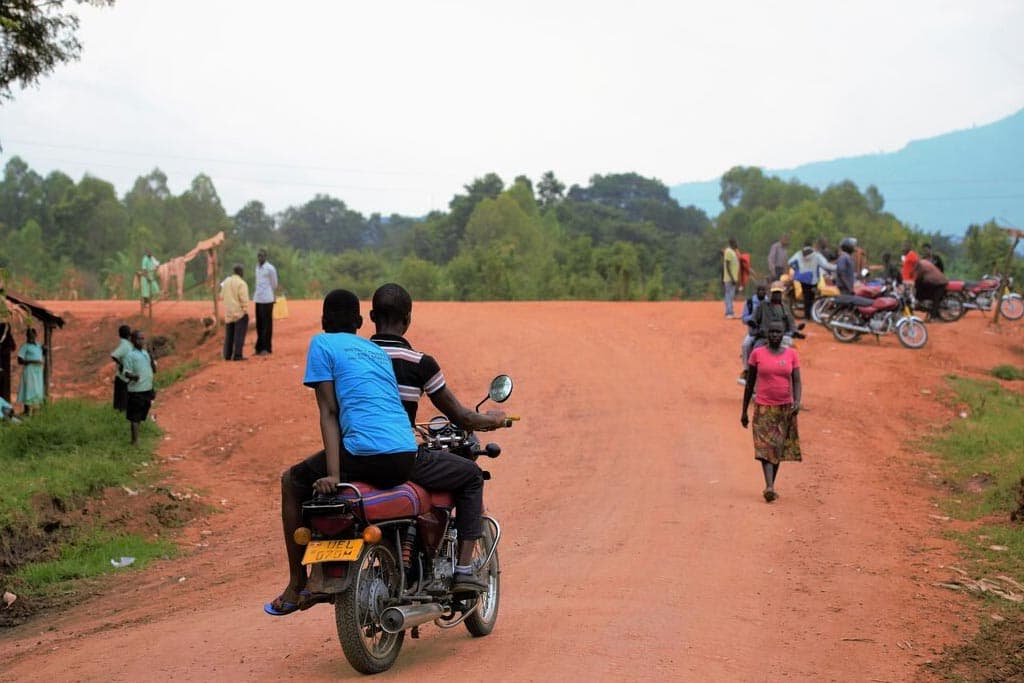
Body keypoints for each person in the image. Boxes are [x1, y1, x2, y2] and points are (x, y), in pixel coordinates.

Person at [266, 289, 419, 617]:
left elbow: (329, 412)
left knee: (292, 481)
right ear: (361, 322)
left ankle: (296, 583)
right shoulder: (374, 350)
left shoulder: (322, 344)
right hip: (405, 455)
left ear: (323, 321)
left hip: (364, 454)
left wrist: (334, 475)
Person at [369, 283, 508, 593]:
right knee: (471, 475)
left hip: (356, 457)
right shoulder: (419, 363)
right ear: (408, 320)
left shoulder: (356, 358)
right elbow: (461, 417)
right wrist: (494, 420)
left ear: (372, 316)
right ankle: (462, 570)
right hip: (401, 457)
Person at [740, 320, 802, 503]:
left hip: (785, 408)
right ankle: (769, 486)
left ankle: (770, 485)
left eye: (778, 332)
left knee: (778, 449)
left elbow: (797, 380)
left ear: (783, 334)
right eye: (772, 332)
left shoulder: (792, 354)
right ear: (767, 334)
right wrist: (744, 411)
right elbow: (750, 383)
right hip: (763, 407)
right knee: (766, 447)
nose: (775, 335)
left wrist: (797, 401)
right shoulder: (757, 354)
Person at [122, 329, 156, 446]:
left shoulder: (146, 353)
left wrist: (151, 356)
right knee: (135, 416)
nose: (142, 341)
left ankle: (136, 438)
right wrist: (133, 376)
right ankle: (135, 441)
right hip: (136, 390)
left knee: (142, 413)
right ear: (133, 340)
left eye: (143, 338)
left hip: (147, 388)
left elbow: (153, 370)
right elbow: (126, 372)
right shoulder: (130, 356)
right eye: (139, 339)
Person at [788, 241, 836, 319]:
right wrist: (837, 268)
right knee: (812, 297)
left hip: (802, 278)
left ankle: (807, 316)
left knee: (806, 296)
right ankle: (810, 315)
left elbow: (790, 262)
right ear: (812, 245)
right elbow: (825, 265)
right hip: (812, 279)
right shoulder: (816, 255)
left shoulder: (799, 254)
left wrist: (797, 269)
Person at [737, 281, 768, 385]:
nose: (761, 292)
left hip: (768, 331)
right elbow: (744, 318)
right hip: (753, 332)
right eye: (759, 290)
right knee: (746, 345)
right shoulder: (750, 302)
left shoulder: (770, 302)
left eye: (763, 290)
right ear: (756, 291)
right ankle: (746, 370)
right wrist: (752, 320)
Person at [253, 248, 279, 356]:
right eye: (258, 256)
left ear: (265, 257)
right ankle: (259, 348)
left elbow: (274, 284)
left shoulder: (270, 268)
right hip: (258, 298)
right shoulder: (257, 268)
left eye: (262, 256)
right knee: (259, 324)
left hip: (267, 299)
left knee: (266, 324)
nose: (260, 258)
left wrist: (270, 292)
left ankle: (266, 348)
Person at [221, 263, 250, 361]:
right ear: (241, 272)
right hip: (239, 313)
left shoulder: (226, 282)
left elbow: (221, 296)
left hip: (229, 312)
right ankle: (237, 355)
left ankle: (227, 355)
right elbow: (244, 299)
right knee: (239, 334)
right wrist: (245, 310)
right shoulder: (241, 283)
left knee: (229, 334)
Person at [16, 327, 44, 415]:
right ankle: (27, 410)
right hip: (30, 371)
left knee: (37, 389)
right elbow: (20, 360)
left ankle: (36, 410)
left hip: (38, 371)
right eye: (29, 336)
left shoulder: (39, 345)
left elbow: (40, 355)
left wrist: (44, 350)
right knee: (28, 389)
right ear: (26, 336)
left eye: (32, 335)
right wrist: (33, 361)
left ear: (36, 335)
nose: (30, 337)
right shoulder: (25, 346)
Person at [913, 257, 949, 321]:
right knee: (921, 285)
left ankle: (933, 316)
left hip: (939, 283)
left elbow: (918, 276)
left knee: (936, 300)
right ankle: (925, 303)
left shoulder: (921, 265)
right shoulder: (924, 262)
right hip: (939, 281)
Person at [110, 324, 132, 412]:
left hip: (122, 375)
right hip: (127, 374)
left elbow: (114, 355)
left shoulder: (124, 344)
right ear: (128, 335)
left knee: (120, 396)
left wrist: (120, 364)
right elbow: (114, 355)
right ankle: (123, 411)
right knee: (124, 395)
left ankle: (120, 411)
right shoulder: (127, 344)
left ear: (119, 335)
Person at [139, 248, 160, 316]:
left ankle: (149, 301)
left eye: (151, 253)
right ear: (146, 253)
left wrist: (157, 267)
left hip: (151, 276)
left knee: (155, 289)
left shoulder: (152, 258)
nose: (150, 254)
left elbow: (157, 264)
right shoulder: (145, 259)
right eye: (149, 253)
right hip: (145, 277)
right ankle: (146, 303)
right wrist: (147, 277)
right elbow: (144, 269)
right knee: (146, 291)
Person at [722, 237, 740, 319]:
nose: (737, 244)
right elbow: (727, 265)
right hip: (729, 278)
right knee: (729, 295)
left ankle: (731, 311)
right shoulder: (728, 251)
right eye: (736, 242)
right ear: (732, 243)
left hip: (733, 277)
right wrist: (732, 278)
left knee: (731, 295)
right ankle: (728, 313)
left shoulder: (733, 252)